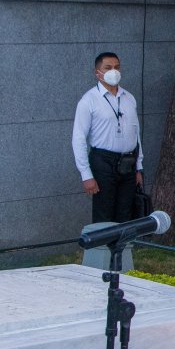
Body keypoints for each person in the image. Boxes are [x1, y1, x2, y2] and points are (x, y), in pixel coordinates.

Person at [72, 52, 145, 223]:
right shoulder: (88, 100)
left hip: (128, 162)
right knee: (104, 211)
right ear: (98, 72)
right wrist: (86, 174)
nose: (114, 71)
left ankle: (121, 249)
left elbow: (136, 134)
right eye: (108, 68)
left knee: (125, 211)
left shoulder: (129, 98)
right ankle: (103, 249)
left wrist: (138, 167)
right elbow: (79, 138)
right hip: (103, 162)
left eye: (117, 67)